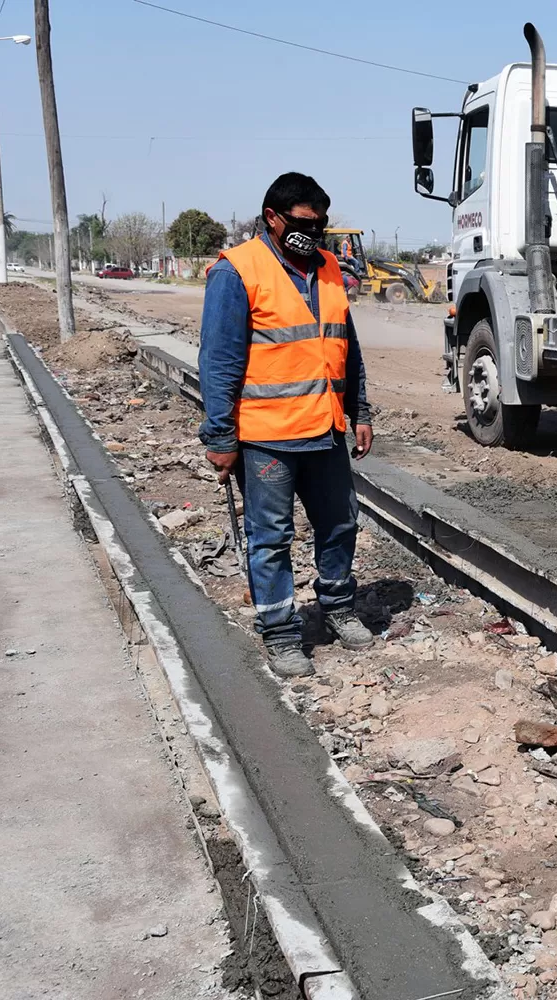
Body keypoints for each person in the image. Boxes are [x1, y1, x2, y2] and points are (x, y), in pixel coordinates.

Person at [199, 172, 376, 679]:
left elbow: (347, 347)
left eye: (320, 222)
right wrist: (220, 437)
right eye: (304, 222)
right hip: (267, 438)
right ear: (272, 219)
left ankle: (338, 608)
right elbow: (219, 361)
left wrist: (359, 411)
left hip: (324, 429)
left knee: (341, 524)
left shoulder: (326, 268)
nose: (314, 232)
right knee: (271, 537)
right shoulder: (237, 271)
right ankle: (280, 632)